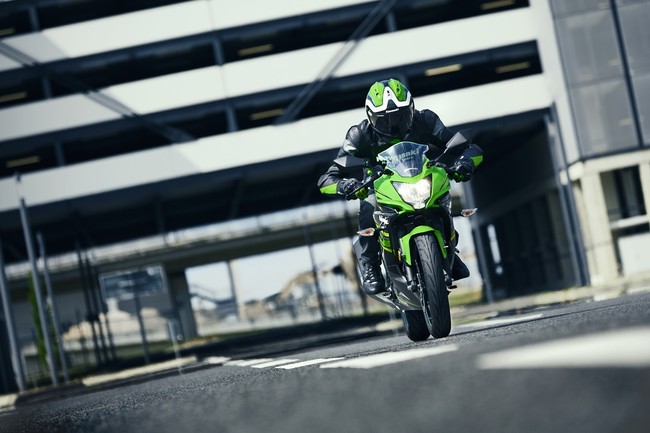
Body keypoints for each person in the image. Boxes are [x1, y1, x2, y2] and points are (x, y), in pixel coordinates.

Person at [317, 78, 483, 295]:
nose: (393, 124)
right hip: (379, 185)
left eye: (400, 116)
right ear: (370, 116)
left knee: (442, 191)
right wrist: (346, 185)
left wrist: (464, 163)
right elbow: (327, 179)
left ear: (411, 109)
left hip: (420, 175)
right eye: (384, 119)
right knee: (368, 205)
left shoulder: (426, 120)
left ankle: (450, 249)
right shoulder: (358, 135)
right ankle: (370, 266)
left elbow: (469, 148)